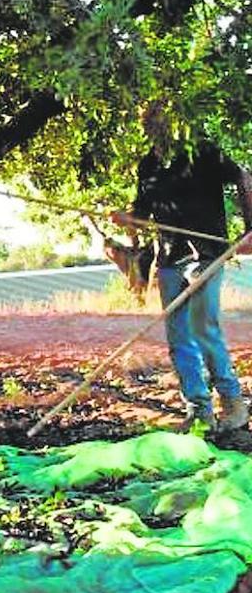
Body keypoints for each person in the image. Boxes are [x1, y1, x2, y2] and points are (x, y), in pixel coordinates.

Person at [111, 102, 252, 436]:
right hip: (169, 259)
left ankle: (233, 404)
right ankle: (199, 411)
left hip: (207, 255)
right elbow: (143, 214)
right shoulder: (148, 166)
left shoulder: (201, 152)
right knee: (178, 338)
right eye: (147, 125)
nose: (152, 130)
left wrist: (250, 227)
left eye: (157, 123)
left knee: (204, 329)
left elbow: (243, 176)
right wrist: (127, 219)